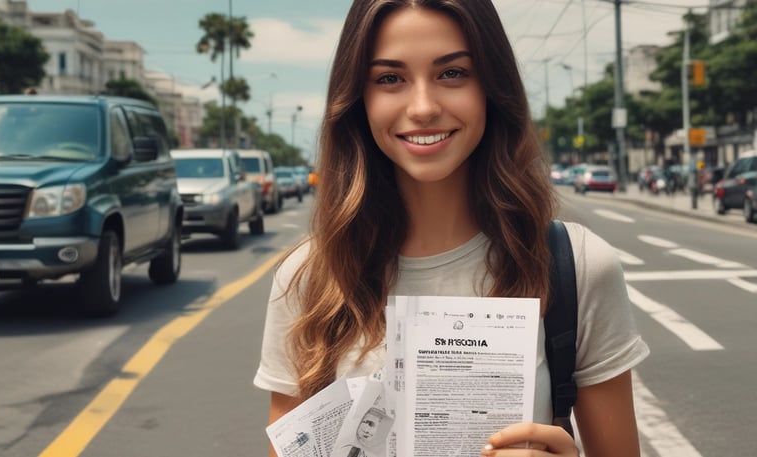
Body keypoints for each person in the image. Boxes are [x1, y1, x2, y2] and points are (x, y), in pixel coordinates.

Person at [253, 1, 649, 456]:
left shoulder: (575, 266)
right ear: (359, 100)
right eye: (390, 78)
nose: (423, 108)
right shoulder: (308, 277)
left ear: (492, 87)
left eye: (452, 73)